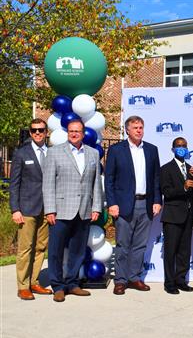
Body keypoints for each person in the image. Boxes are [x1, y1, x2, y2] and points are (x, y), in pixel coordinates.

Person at [43, 119, 103, 302]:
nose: (74, 134)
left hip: (84, 210)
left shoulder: (93, 154)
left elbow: (95, 184)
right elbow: (48, 184)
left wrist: (97, 207)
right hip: (60, 210)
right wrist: (50, 210)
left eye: (77, 131)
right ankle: (58, 286)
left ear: (83, 133)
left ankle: (73, 283)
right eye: (71, 131)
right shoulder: (54, 153)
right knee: (55, 251)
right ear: (67, 133)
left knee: (77, 251)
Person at [105, 115, 162, 295]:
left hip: (145, 204)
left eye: (141, 127)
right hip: (123, 206)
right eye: (135, 127)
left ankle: (134, 278)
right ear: (127, 130)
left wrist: (157, 201)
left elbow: (156, 178)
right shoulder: (116, 150)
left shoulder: (152, 150)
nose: (139, 130)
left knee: (140, 245)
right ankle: (120, 280)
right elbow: (109, 180)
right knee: (122, 245)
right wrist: (112, 203)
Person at [9, 118, 52, 300]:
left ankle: (34, 282)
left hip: (47, 208)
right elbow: (14, 184)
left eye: (40, 130)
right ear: (30, 132)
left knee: (41, 247)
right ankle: (23, 285)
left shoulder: (52, 153)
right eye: (33, 130)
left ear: (46, 131)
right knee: (25, 248)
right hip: (26, 209)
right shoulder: (21, 153)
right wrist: (15, 209)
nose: (37, 133)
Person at [160, 137, 193, 294]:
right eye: (178, 146)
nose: (182, 148)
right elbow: (166, 192)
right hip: (172, 216)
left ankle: (181, 280)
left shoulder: (191, 169)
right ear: (173, 149)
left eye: (184, 146)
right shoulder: (166, 169)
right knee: (170, 252)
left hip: (188, 216)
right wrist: (184, 187)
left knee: (184, 251)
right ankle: (169, 283)